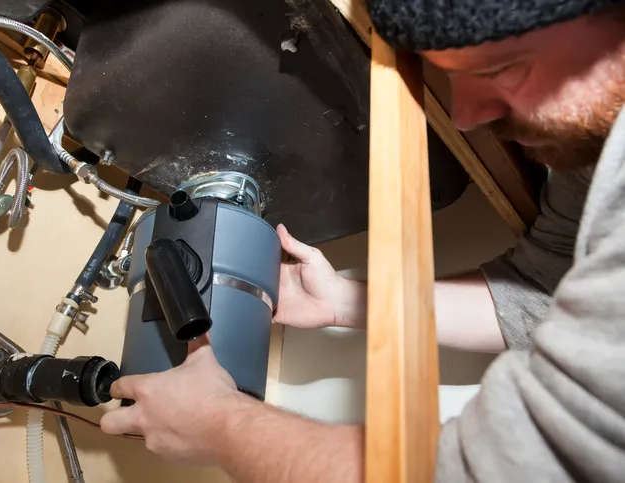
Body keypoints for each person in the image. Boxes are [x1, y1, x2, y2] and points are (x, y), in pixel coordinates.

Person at [101, 0, 625, 481]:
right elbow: (541, 292)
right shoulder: (589, 163)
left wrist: (218, 423)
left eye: (498, 68)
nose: (465, 117)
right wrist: (349, 301)